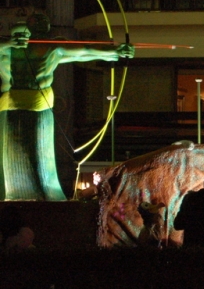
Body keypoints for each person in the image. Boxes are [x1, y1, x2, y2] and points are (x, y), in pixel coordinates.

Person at [0, 18, 134, 201]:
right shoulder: (6, 50)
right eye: (17, 35)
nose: (21, 38)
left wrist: (113, 52)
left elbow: (81, 52)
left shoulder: (49, 48)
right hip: (12, 106)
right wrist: (7, 43)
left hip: (36, 105)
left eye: (24, 34)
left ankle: (44, 193)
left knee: (39, 156)